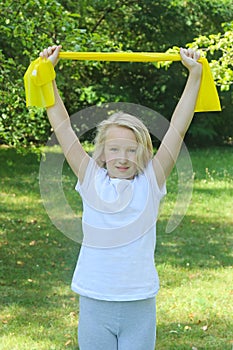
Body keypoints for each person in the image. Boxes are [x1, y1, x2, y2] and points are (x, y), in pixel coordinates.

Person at [39, 45, 202, 349]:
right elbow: (62, 127)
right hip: (95, 299)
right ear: (101, 152)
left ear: (144, 152)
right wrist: (48, 77)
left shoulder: (151, 182)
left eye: (131, 149)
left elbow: (177, 129)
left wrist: (194, 76)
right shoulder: (91, 179)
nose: (123, 157)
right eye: (114, 149)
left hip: (138, 303)